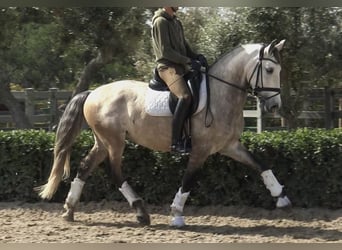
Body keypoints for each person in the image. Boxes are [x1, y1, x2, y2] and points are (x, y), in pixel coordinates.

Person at [151, 7, 204, 154]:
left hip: (181, 67)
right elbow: (165, 51)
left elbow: (185, 48)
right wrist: (187, 61)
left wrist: (196, 57)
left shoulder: (176, 22)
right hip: (167, 67)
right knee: (184, 96)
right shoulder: (160, 21)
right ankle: (175, 142)